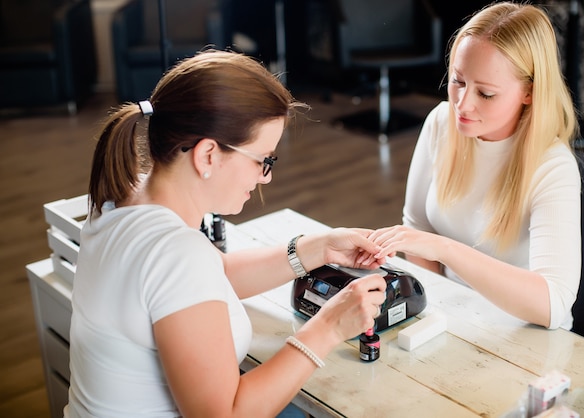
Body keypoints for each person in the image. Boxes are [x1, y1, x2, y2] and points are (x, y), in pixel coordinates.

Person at [65, 50, 388, 418]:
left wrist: (320, 248)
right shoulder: (178, 255)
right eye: (262, 159)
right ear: (207, 156)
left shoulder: (125, 195)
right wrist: (328, 328)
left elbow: (218, 276)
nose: (266, 176)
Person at [368, 2, 581, 330]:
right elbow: (418, 227)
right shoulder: (441, 121)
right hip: (454, 314)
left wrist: (446, 250)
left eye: (486, 93)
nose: (462, 105)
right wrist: (441, 305)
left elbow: (553, 305)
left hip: (526, 334)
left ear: (529, 92)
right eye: (458, 81)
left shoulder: (552, 167)